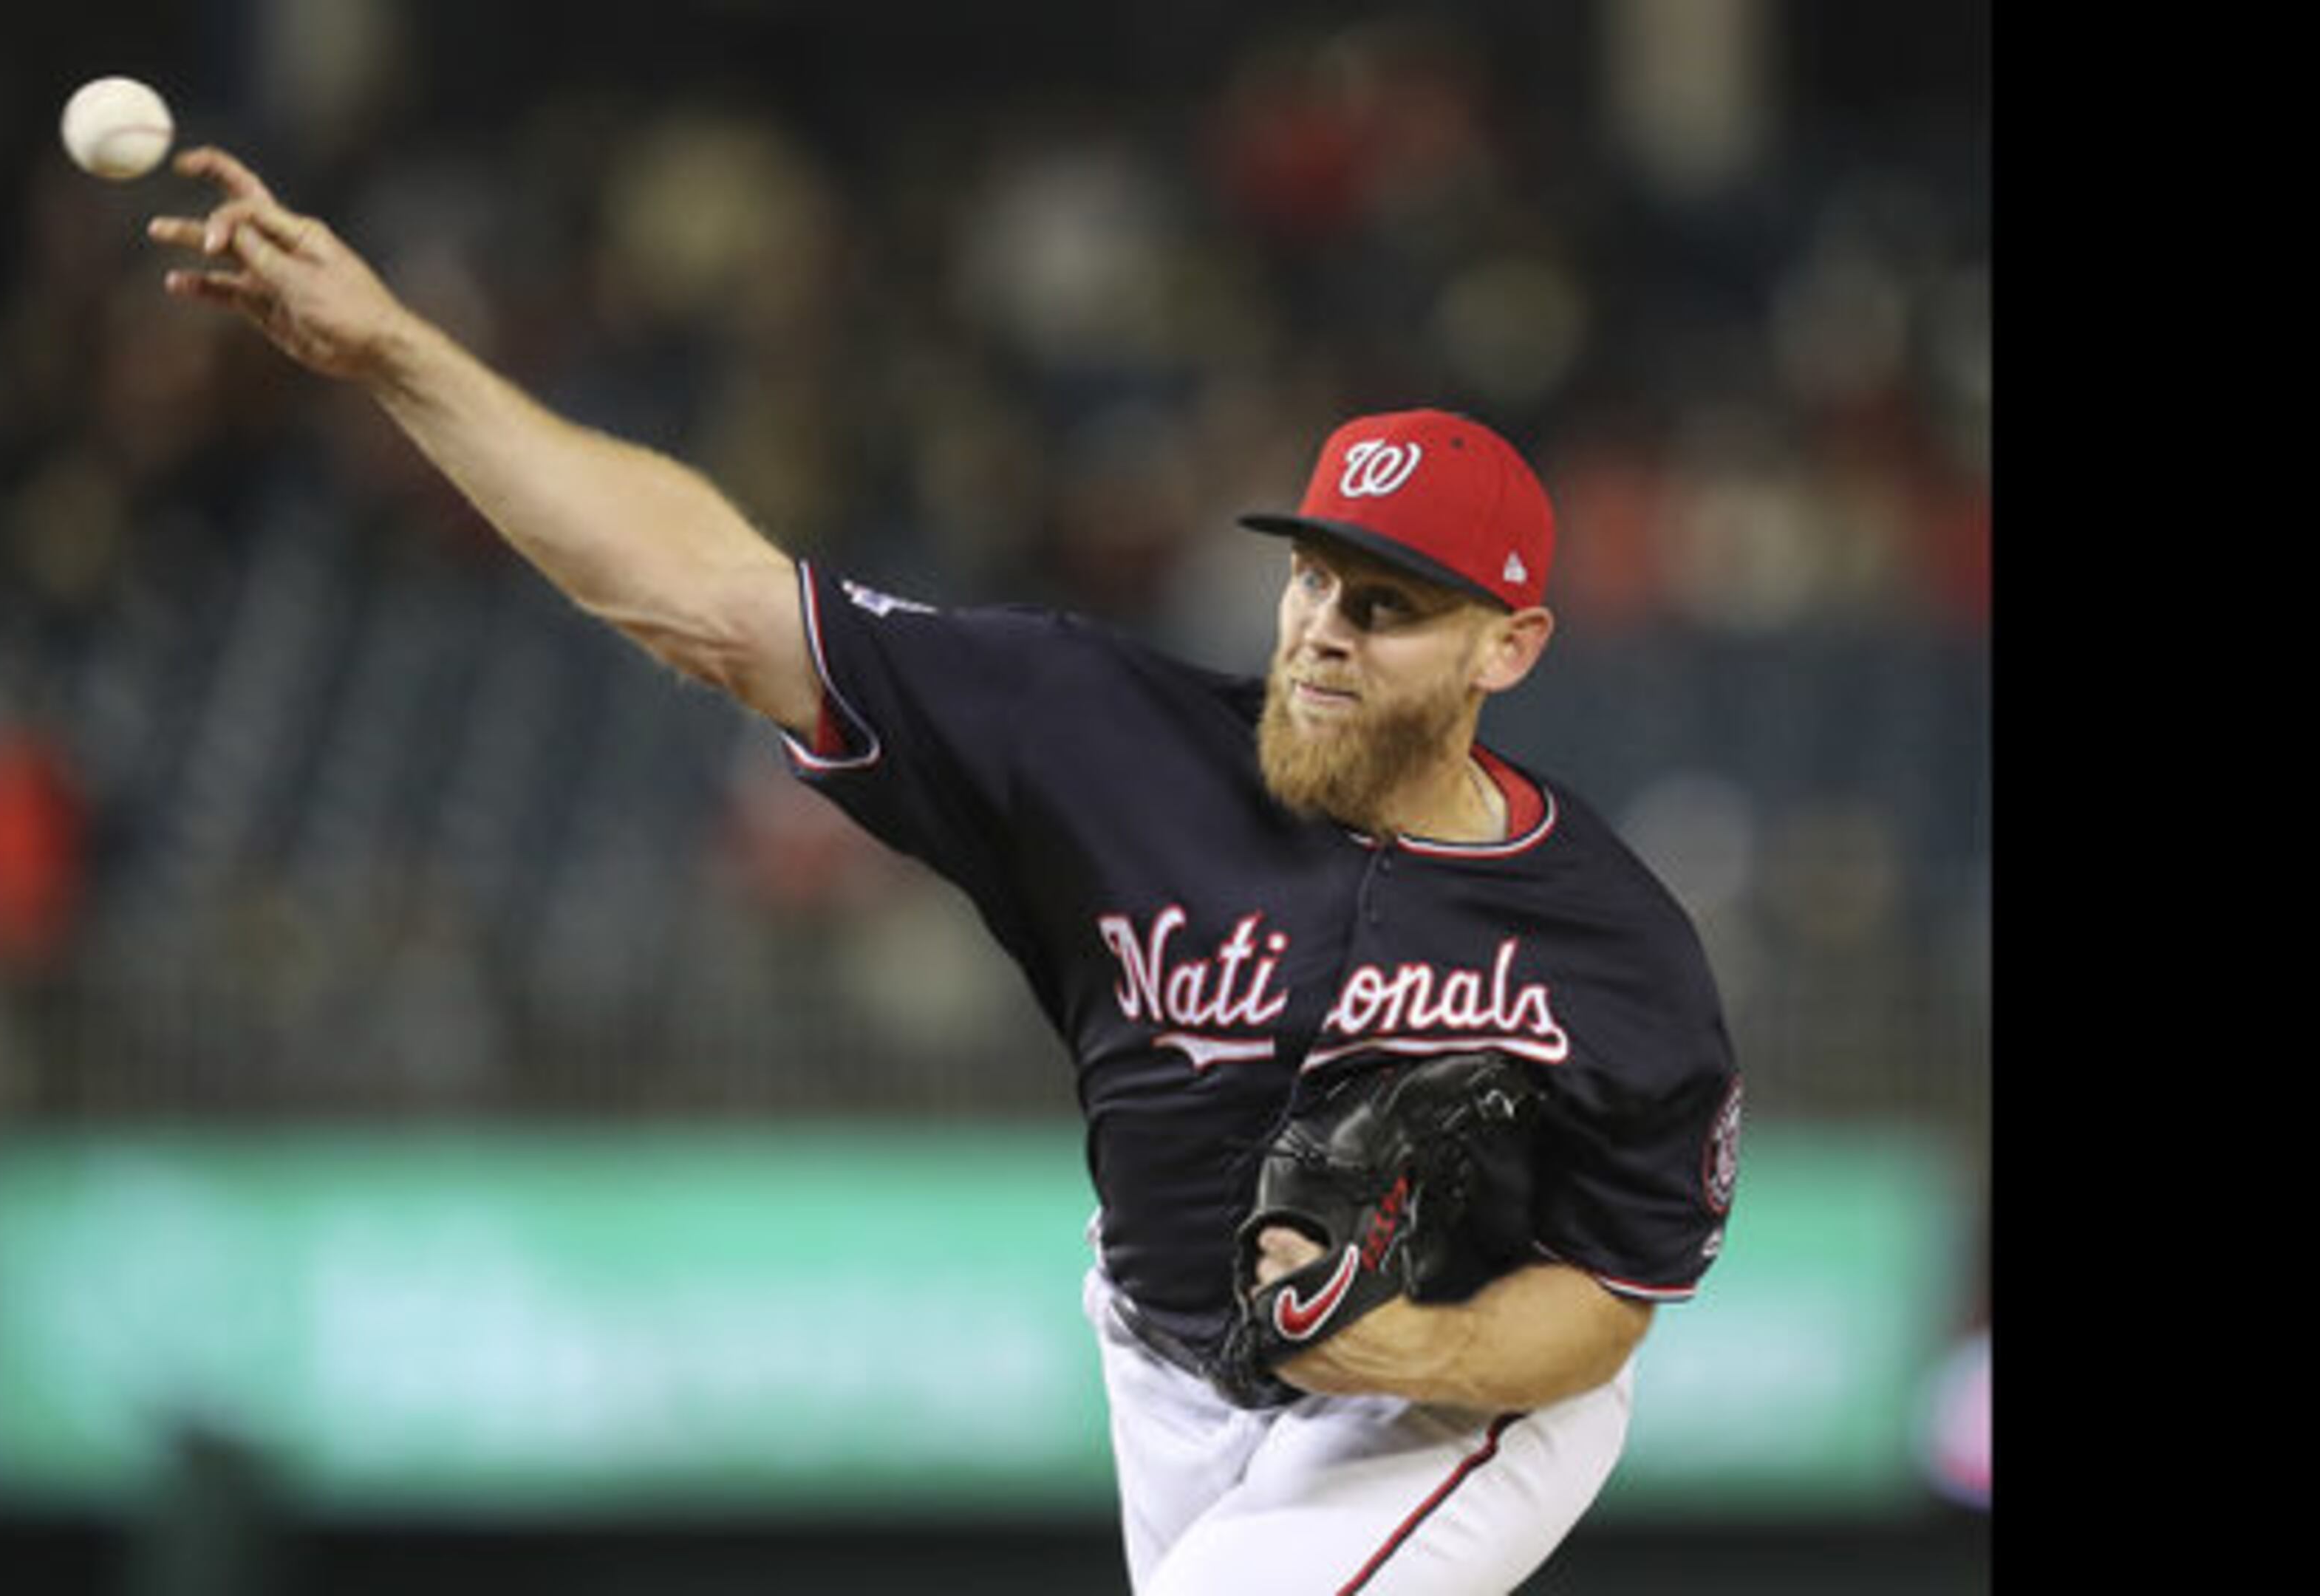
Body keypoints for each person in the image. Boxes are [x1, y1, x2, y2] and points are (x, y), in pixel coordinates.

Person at [149, 146, 1741, 1596]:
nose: (1325, 629)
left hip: (1446, 1404)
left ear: (1507, 646)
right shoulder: (1102, 738)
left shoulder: (1610, 947)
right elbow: (711, 604)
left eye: (1387, 606)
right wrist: (396, 357)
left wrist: (1417, 1342)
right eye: (1314, 580)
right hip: (1168, 1363)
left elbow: (1610, 1297)